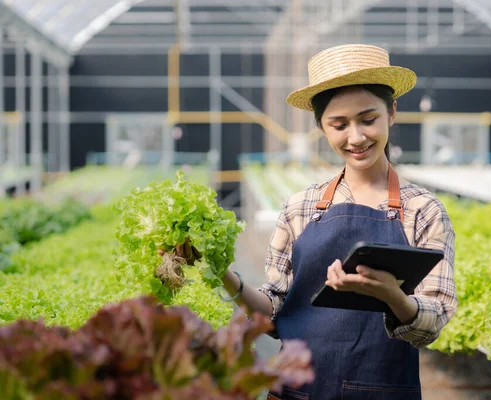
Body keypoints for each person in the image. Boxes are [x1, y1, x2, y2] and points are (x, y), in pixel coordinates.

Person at [182, 44, 457, 399]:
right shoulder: (301, 207)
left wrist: (392, 297)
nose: (355, 137)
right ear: (321, 127)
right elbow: (274, 311)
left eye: (368, 119)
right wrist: (223, 273)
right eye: (339, 125)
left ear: (391, 112)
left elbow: (433, 320)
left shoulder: (423, 210)